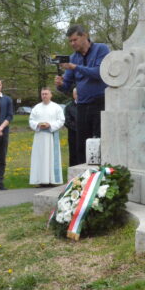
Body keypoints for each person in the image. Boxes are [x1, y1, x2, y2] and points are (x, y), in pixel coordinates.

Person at [54, 24, 110, 165]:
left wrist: (75, 67)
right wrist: (60, 84)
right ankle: (83, 174)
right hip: (83, 105)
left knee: (100, 140)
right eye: (70, 41)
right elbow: (67, 85)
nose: (72, 43)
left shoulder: (101, 49)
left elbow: (99, 73)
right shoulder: (73, 58)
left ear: (85, 36)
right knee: (82, 144)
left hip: (100, 102)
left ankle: (104, 171)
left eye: (75, 40)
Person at [29, 88, 65, 186]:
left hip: (51, 136)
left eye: (46, 94)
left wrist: (50, 125)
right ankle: (40, 180)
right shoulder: (36, 108)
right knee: (39, 158)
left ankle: (52, 180)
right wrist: (38, 124)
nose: (44, 96)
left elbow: (61, 120)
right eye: (42, 94)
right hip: (39, 136)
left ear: (50, 95)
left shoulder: (56, 107)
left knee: (51, 158)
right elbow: (31, 120)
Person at [64, 88, 78, 167]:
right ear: (73, 95)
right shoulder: (69, 107)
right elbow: (67, 121)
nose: (78, 95)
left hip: (85, 134)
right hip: (73, 134)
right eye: (76, 94)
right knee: (73, 154)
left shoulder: (86, 106)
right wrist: (77, 128)